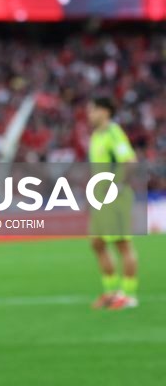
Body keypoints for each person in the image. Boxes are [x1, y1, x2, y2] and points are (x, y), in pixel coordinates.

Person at [86, 96, 139, 309]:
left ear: (105, 111)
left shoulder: (113, 133)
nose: (89, 115)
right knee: (97, 243)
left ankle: (128, 294)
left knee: (122, 245)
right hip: (99, 199)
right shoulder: (96, 136)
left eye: (93, 110)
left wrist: (115, 186)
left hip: (114, 198)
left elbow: (130, 162)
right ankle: (111, 292)